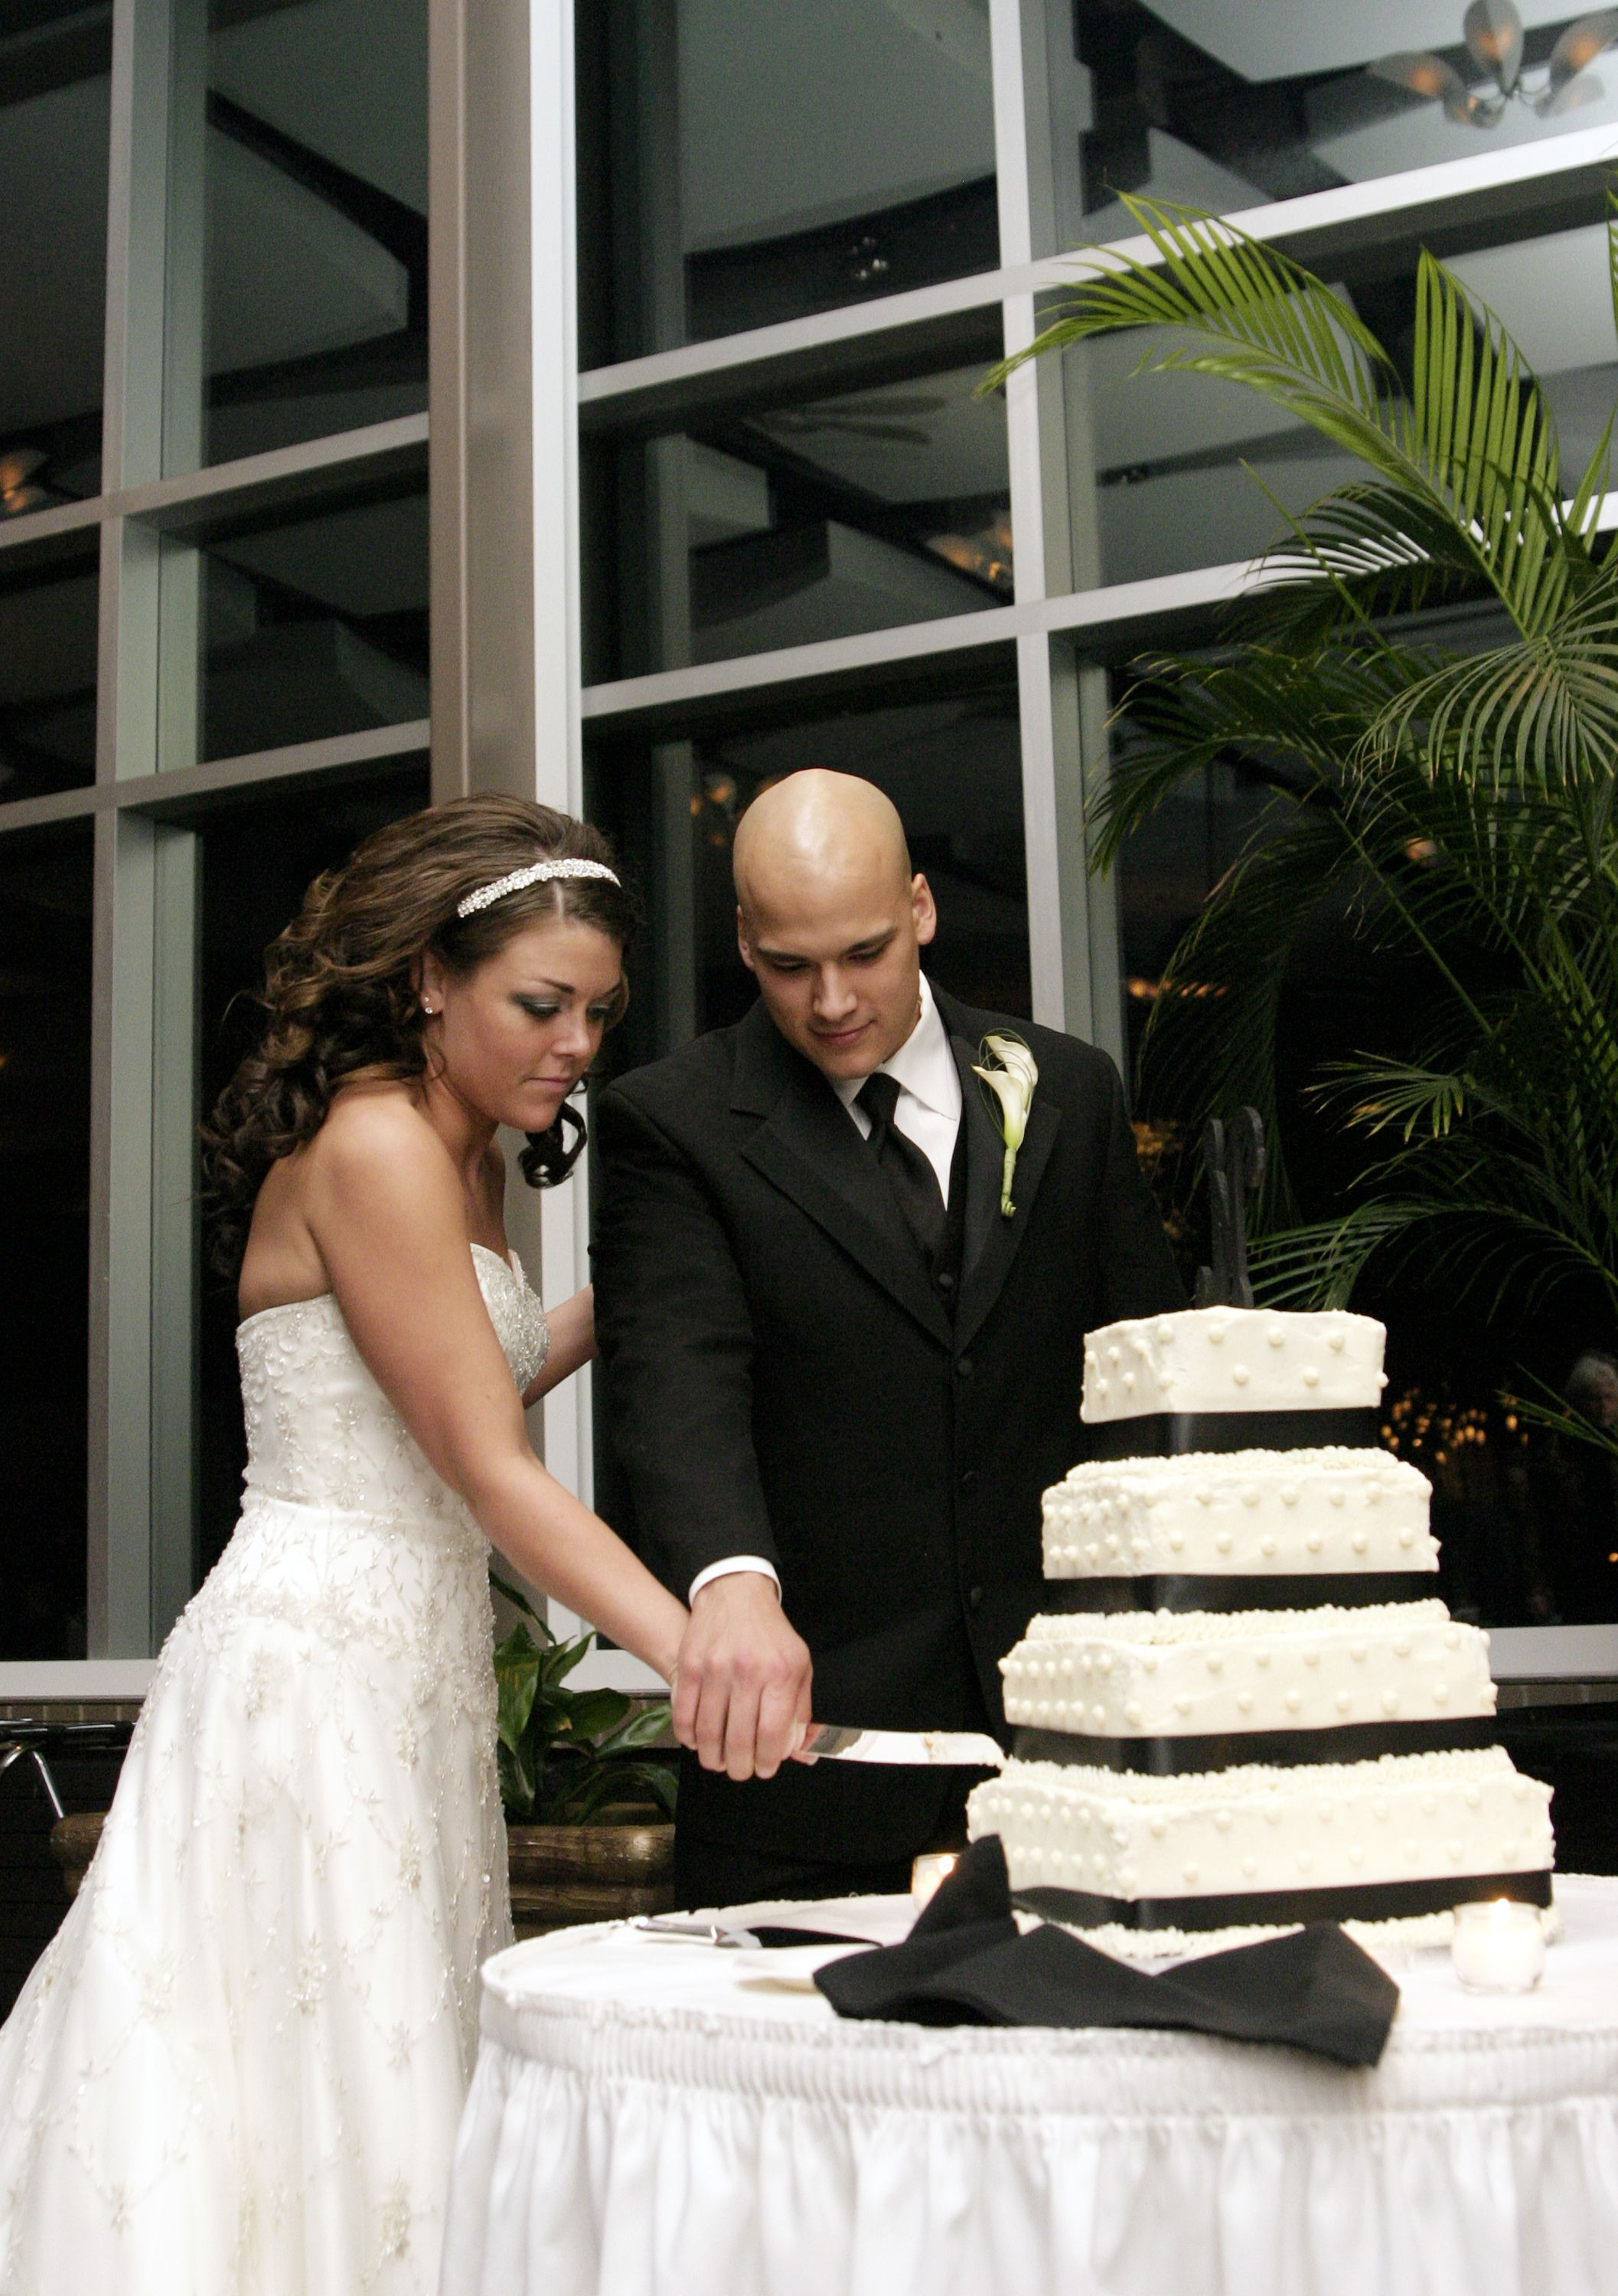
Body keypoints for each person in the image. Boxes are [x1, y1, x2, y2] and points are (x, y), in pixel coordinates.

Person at [0, 796, 688, 2294]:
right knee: (289, 2077)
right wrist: (688, 1645)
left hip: (413, 1656)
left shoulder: (463, 1158)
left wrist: (658, 1290)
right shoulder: (375, 1144)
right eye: (541, 1005)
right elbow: (491, 1470)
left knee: (390, 2053)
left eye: (598, 1012)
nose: (574, 1044)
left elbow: (460, 1385)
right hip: (311, 1663)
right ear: (432, 981)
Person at [592, 768, 1186, 1911]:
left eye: (863, 953)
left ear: (920, 908)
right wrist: (729, 1584)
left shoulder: (1068, 1087)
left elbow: (1136, 1381)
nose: (829, 1003)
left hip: (1079, 1757)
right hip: (810, 1776)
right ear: (742, 941)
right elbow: (679, 1374)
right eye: (787, 964)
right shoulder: (674, 1122)